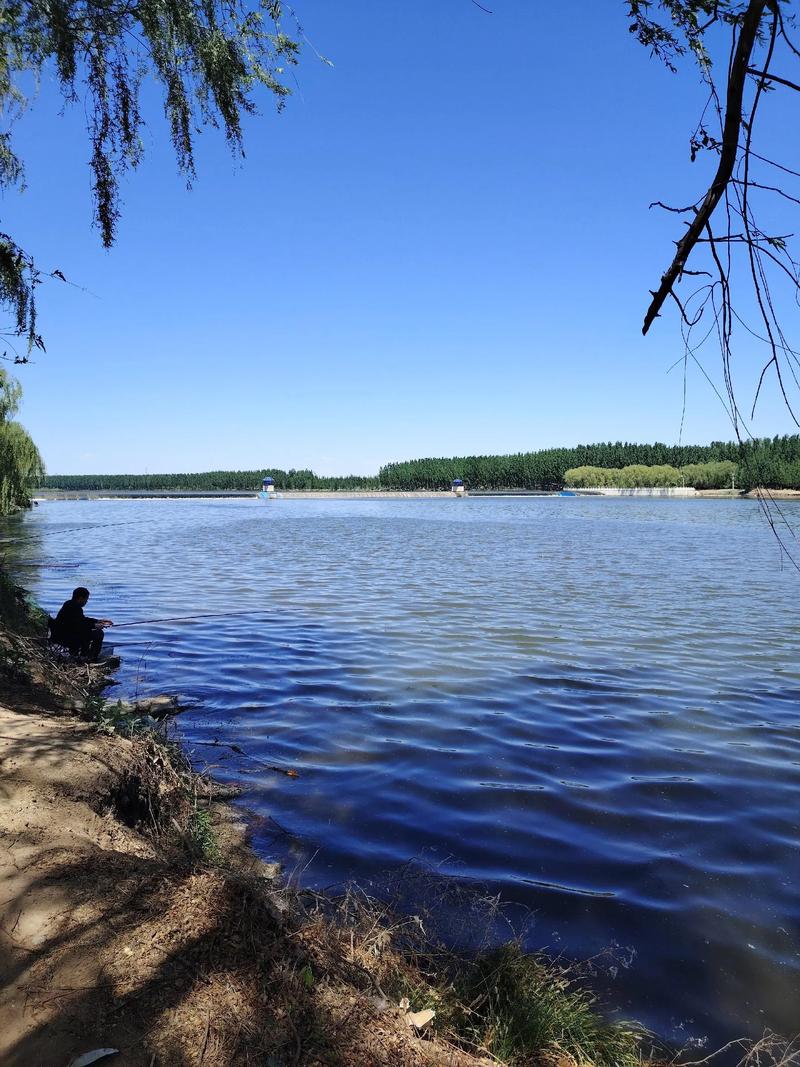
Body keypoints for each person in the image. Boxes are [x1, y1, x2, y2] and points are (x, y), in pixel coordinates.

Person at [52, 587, 113, 661]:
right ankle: (91, 657)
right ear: (80, 598)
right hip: (64, 637)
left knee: (87, 631)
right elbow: (77, 625)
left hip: (63, 634)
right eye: (86, 599)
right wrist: (94, 626)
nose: (86, 602)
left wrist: (98, 621)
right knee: (98, 633)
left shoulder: (71, 604)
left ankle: (83, 654)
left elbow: (82, 620)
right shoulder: (73, 607)